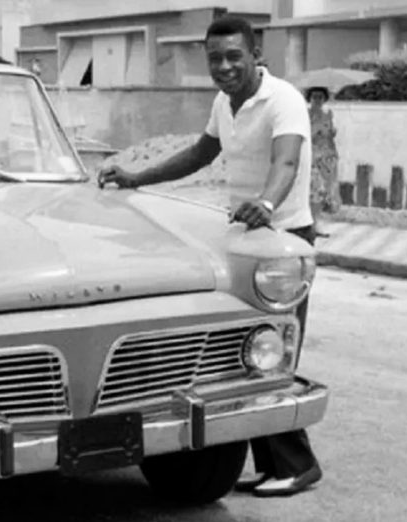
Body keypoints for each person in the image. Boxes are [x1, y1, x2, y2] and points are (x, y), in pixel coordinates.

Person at [97, 15, 323, 498]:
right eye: (215, 59)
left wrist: (266, 204)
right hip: (243, 238)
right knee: (246, 352)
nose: (224, 67)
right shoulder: (224, 102)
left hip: (282, 240)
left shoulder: (283, 99)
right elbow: (199, 154)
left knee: (271, 351)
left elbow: (286, 161)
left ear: (255, 54)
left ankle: (298, 465)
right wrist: (136, 178)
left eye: (234, 56)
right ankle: (277, 464)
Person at [306, 86, 340, 238]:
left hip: (327, 157)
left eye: (320, 97)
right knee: (314, 190)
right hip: (312, 157)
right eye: (314, 97)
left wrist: (331, 133)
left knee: (325, 191)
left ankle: (316, 221)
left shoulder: (328, 115)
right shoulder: (305, 114)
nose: (317, 100)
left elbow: (330, 135)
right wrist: (315, 132)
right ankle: (311, 223)